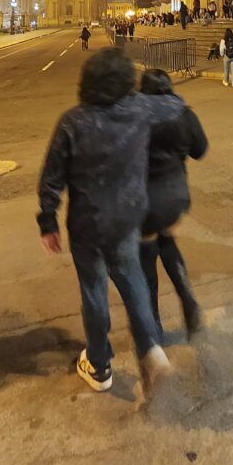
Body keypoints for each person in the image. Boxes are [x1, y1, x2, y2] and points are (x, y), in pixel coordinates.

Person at [37, 48, 181, 395]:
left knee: (94, 292)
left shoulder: (74, 121)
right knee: (133, 283)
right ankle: (151, 348)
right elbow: (175, 106)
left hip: (88, 223)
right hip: (128, 217)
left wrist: (48, 221)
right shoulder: (139, 110)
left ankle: (99, 364)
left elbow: (51, 178)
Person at [138, 69, 208, 341]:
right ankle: (187, 300)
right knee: (167, 242)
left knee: (146, 257)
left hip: (144, 199)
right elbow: (200, 150)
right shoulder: (184, 112)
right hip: (175, 195)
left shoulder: (134, 116)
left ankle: (153, 326)